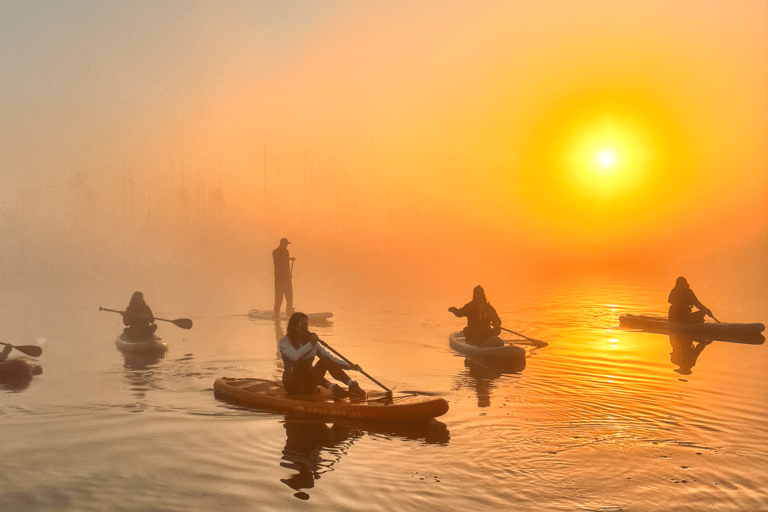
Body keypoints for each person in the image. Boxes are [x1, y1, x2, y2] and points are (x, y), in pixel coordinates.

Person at [279, 312, 365, 398]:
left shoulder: (311, 342)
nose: (305, 328)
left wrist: (350, 366)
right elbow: (295, 357)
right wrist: (311, 343)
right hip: (293, 386)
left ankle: (351, 384)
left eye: (306, 325)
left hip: (309, 383)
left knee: (326, 360)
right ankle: (332, 387)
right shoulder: (284, 342)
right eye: (302, 325)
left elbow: (330, 358)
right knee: (303, 363)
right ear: (293, 327)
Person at [273, 238, 296, 317]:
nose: (287, 245)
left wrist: (289, 274)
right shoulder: (276, 251)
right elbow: (280, 261)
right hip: (281, 277)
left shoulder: (283, 251)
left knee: (287, 295)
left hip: (283, 277)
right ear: (282, 243)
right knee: (281, 295)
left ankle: (287, 311)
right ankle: (277, 313)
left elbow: (285, 263)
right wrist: (289, 259)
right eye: (286, 244)